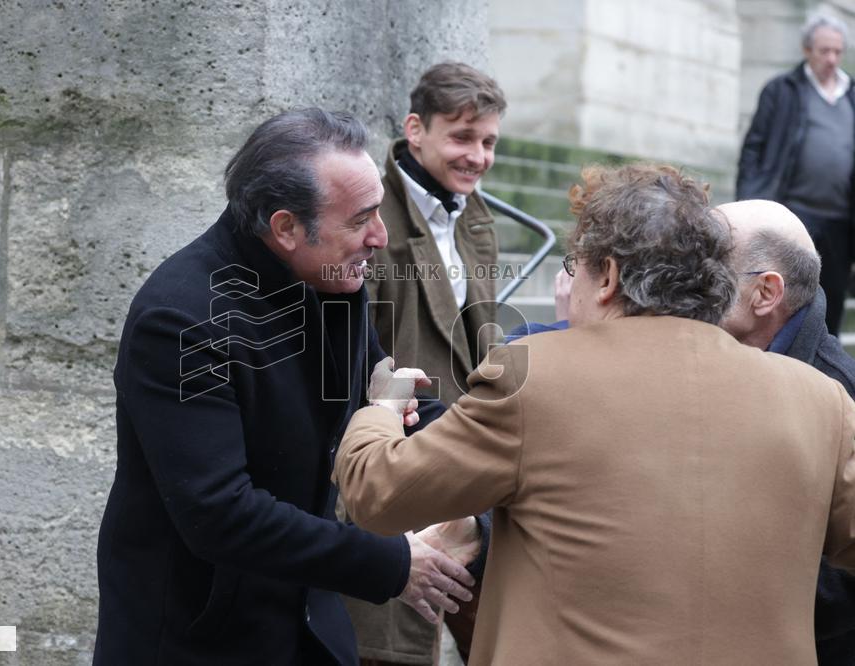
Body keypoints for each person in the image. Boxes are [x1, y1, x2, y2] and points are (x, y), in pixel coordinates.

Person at [335, 164, 855, 664]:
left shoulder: (534, 373)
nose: (570, 286)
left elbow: (379, 494)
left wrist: (384, 404)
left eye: (572, 267)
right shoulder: (821, 399)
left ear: (606, 275)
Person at [92, 108, 481, 666]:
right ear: (285, 227)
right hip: (198, 641)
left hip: (312, 628)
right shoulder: (180, 317)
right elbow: (221, 514)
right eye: (361, 219)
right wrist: (395, 564)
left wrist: (488, 461)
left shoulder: (330, 276)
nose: (380, 236)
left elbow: (393, 395)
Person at [348, 61, 505, 666]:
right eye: (462, 137)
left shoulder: (475, 216)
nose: (478, 156)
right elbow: (358, 357)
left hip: (463, 470)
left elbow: (481, 342)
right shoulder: (373, 218)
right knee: (386, 650)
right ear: (416, 129)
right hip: (393, 464)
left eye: (488, 141)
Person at [718, 199, 855, 665]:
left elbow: (842, 580)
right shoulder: (708, 356)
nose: (684, 280)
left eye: (708, 268)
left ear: (765, 292)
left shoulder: (839, 396)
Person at [737, 14, 855, 334]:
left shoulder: (851, 94)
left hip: (841, 224)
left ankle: (821, 374)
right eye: (824, 51)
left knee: (831, 300)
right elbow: (754, 150)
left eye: (837, 51)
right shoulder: (782, 90)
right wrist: (750, 204)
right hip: (794, 215)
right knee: (787, 300)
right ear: (807, 50)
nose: (831, 59)